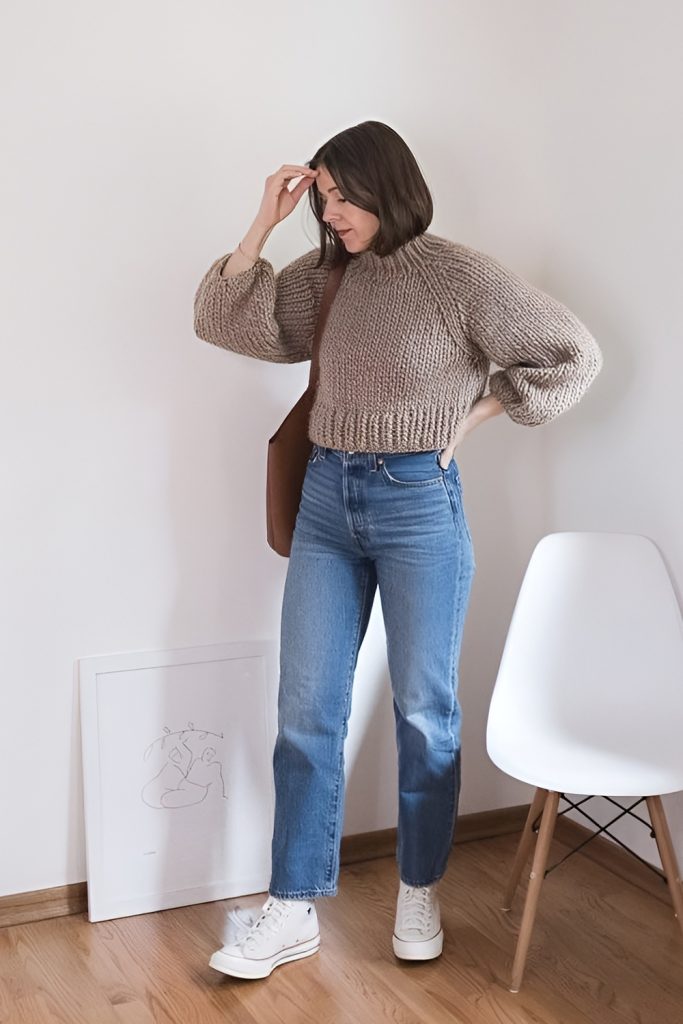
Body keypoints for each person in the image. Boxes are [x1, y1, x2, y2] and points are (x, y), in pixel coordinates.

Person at [193, 120, 602, 980]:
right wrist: (262, 223)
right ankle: (292, 905)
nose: (332, 211)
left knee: (426, 712)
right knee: (306, 711)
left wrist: (480, 413)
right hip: (325, 504)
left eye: (345, 194)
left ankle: (419, 887)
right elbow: (230, 324)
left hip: (418, 502)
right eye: (325, 196)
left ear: (389, 184)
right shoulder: (327, 276)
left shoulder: (458, 276)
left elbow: (572, 355)